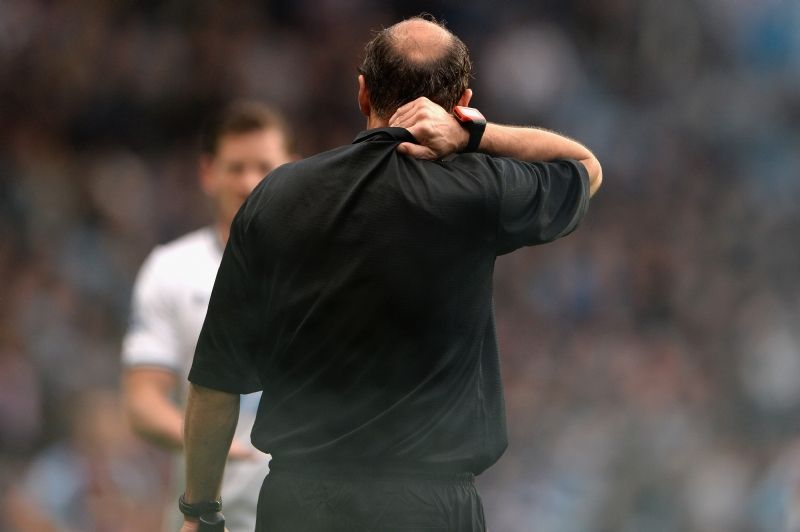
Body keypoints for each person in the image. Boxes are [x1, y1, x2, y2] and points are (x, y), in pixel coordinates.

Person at [180, 15, 602, 532]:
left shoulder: (277, 196)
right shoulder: (479, 191)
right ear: (462, 101)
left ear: (363, 93)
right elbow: (585, 167)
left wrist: (200, 511)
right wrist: (476, 135)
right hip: (430, 507)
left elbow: (215, 381)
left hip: (301, 501)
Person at [120, 100, 297, 532]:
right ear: (207, 172)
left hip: (310, 513)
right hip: (208, 518)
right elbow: (142, 402)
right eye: (235, 168)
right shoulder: (171, 269)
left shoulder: (325, 268)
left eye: (264, 166)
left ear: (292, 170)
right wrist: (211, 440)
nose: (249, 182)